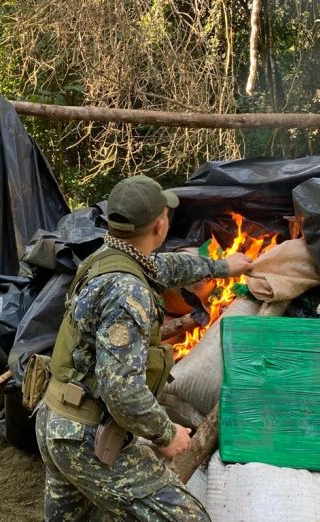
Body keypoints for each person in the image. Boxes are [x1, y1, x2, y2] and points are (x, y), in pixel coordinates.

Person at [35, 175, 253, 521]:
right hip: (85, 438)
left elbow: (165, 266)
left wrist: (221, 266)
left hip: (55, 420)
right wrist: (166, 434)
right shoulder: (128, 294)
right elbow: (120, 389)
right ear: (160, 223)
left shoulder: (106, 257)